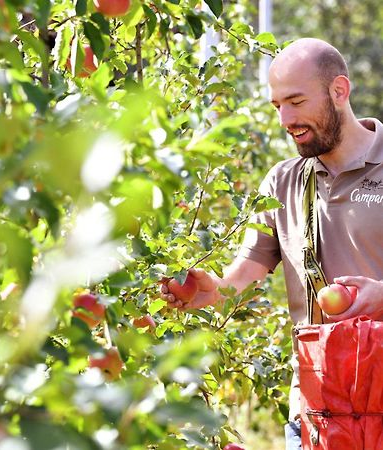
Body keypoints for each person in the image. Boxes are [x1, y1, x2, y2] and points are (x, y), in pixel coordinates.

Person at [161, 38, 383, 450]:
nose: (286, 119)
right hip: (318, 412)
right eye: (277, 105)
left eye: (296, 101)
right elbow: (239, 277)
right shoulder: (283, 183)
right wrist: (211, 290)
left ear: (339, 91)